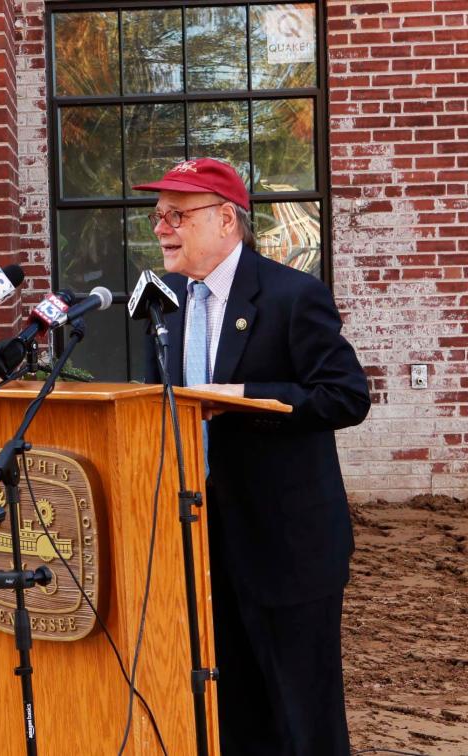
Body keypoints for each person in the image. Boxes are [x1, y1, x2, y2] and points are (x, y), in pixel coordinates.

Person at [134, 158, 370, 755]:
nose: (162, 228)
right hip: (204, 547)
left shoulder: (294, 296)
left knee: (303, 721)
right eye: (159, 215)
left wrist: (244, 397)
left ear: (224, 220)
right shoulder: (171, 309)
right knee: (234, 718)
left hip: (288, 549)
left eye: (176, 215)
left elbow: (346, 396)